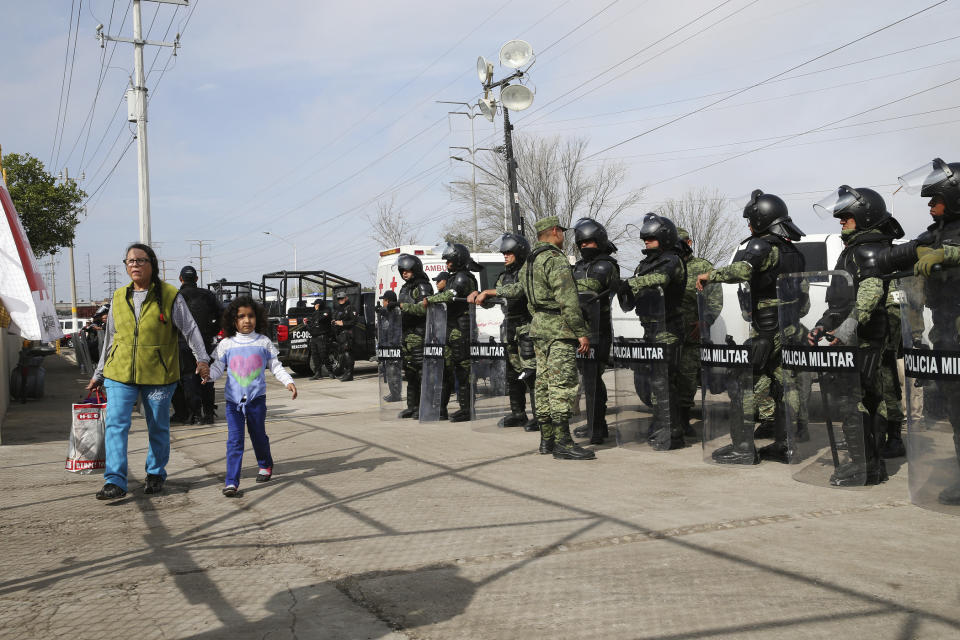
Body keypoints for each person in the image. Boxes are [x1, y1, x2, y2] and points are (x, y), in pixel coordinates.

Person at [86, 244, 210, 500]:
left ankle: (155, 473)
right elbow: (110, 338)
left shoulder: (169, 295)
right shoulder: (119, 297)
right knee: (116, 425)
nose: (134, 265)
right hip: (119, 372)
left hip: (158, 375)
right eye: (130, 261)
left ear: (152, 264)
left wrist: (202, 359)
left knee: (158, 426)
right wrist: (99, 373)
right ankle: (115, 481)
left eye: (140, 260)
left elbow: (190, 329)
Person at [696, 191, 806, 463]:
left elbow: (742, 271)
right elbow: (802, 301)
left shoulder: (762, 247)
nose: (748, 226)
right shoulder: (794, 251)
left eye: (751, 220)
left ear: (762, 219)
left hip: (766, 332)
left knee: (743, 385)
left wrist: (711, 275)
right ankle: (786, 444)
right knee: (785, 387)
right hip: (790, 329)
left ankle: (742, 448)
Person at [478, 217, 595, 460]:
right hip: (559, 329)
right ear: (554, 231)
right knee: (561, 385)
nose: (563, 236)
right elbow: (568, 300)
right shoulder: (554, 259)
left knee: (542, 384)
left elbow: (517, 290)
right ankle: (563, 442)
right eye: (562, 232)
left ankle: (547, 439)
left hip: (538, 328)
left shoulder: (530, 261)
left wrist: (493, 291)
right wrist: (581, 332)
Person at [809, 185, 903, 486]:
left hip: (864, 341)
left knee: (858, 402)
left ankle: (864, 466)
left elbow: (871, 293)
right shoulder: (852, 251)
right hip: (854, 339)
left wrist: (848, 326)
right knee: (860, 401)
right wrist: (823, 324)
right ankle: (870, 465)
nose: (841, 221)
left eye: (846, 216)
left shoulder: (869, 249)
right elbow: (840, 301)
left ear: (864, 216)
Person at [204, 297, 297, 496]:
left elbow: (275, 366)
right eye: (241, 316)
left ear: (258, 318)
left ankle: (265, 465)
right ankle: (231, 482)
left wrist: (288, 381)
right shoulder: (226, 344)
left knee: (258, 436)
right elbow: (218, 368)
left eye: (251, 316)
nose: (247, 320)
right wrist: (207, 376)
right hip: (233, 403)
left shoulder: (263, 342)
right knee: (235, 441)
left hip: (257, 401)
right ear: (233, 320)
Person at [624, 213, 687, 451]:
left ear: (664, 237)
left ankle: (673, 432)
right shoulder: (645, 264)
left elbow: (660, 279)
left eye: (651, 238)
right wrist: (624, 289)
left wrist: (631, 283)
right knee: (654, 381)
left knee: (664, 381)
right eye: (645, 239)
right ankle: (662, 424)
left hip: (668, 328)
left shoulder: (672, 260)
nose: (646, 242)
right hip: (649, 328)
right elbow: (636, 287)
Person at [570, 218, 619, 444]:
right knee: (587, 379)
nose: (583, 247)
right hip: (579, 330)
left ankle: (597, 428)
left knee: (593, 380)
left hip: (598, 331)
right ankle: (594, 423)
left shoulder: (606, 265)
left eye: (588, 243)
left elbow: (590, 289)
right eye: (581, 243)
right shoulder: (579, 266)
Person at [422, 244, 480, 422]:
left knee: (463, 370)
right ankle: (441, 408)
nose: (447, 264)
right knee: (446, 369)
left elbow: (448, 297)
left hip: (461, 329)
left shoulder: (463, 278)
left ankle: (466, 409)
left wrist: (429, 299)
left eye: (449, 260)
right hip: (448, 328)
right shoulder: (453, 277)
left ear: (458, 260)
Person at [676, 227, 718, 439]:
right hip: (669, 333)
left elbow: (715, 299)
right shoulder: (669, 265)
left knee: (687, 377)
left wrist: (705, 321)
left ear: (689, 243)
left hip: (692, 334)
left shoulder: (702, 266)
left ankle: (684, 419)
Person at [171, 265, 221, 425]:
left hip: (182, 345)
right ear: (197, 279)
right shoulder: (207, 295)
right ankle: (208, 414)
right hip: (205, 342)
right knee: (207, 378)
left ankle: (194, 414)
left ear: (180, 279)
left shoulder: (175, 297)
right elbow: (222, 315)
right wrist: (212, 331)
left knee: (188, 379)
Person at [396, 254, 435, 419]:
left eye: (408, 270)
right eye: (402, 271)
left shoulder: (423, 286)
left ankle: (425, 406)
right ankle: (412, 406)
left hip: (420, 333)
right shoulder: (405, 288)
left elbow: (424, 309)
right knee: (410, 373)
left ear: (415, 270)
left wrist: (402, 306)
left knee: (422, 372)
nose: (405, 273)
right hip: (406, 334)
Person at [377, 290, 403, 402]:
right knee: (389, 371)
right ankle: (393, 393)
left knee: (393, 371)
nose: (383, 302)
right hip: (387, 346)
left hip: (393, 346)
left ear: (387, 301)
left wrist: (381, 311)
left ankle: (396, 394)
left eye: (384, 300)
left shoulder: (395, 311)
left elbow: (391, 315)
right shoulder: (387, 313)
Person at [332, 292, 359, 382]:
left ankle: (349, 374)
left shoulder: (351, 308)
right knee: (343, 354)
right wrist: (334, 322)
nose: (340, 300)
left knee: (348, 354)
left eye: (342, 298)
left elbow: (354, 321)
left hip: (348, 333)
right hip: (340, 334)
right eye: (339, 299)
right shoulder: (338, 309)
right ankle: (346, 372)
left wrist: (343, 323)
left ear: (346, 298)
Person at [307, 298, 334, 380]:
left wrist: (318, 310)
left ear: (319, 305)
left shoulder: (326, 311)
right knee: (315, 356)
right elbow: (312, 323)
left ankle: (330, 372)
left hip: (322, 337)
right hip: (314, 337)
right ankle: (318, 373)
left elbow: (321, 319)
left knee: (324, 355)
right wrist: (307, 323)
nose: (314, 306)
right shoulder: (314, 313)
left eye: (315, 305)